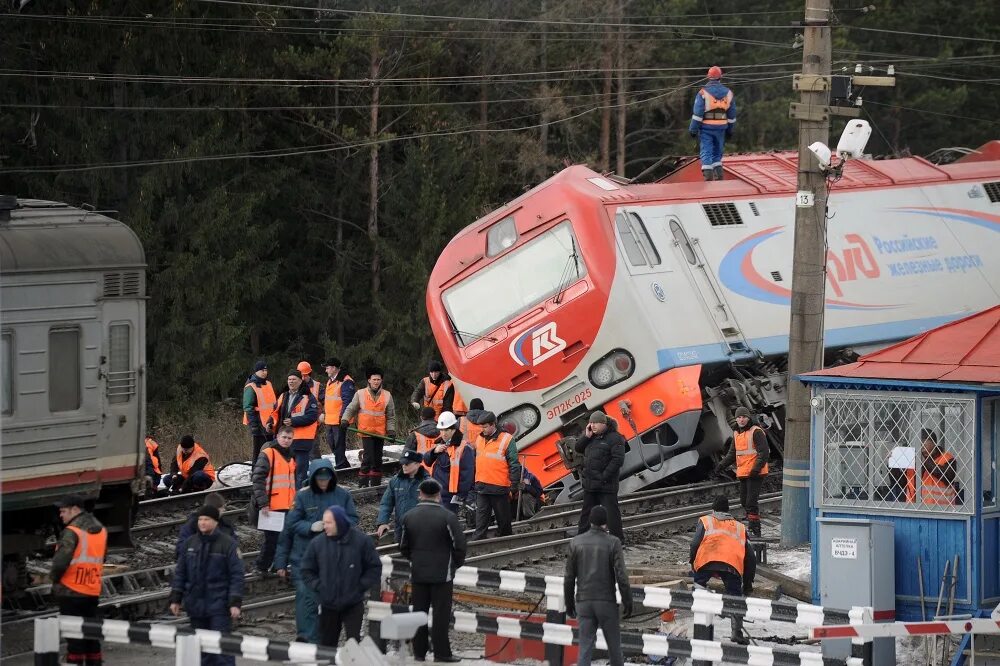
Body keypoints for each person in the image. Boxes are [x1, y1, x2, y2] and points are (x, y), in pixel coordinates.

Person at [274, 459, 359, 643]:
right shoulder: (302, 496)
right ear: (312, 478)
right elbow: (289, 527)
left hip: (333, 559)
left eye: (326, 478)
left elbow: (353, 519)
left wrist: (338, 526)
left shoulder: (342, 495)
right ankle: (306, 638)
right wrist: (309, 527)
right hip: (304, 559)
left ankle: (323, 642)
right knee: (307, 598)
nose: (323, 482)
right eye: (319, 478)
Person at [400, 479, 467, 663]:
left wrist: (415, 559)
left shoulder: (409, 516)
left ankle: (419, 652)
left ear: (420, 494)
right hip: (442, 574)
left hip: (418, 573)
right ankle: (442, 653)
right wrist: (455, 564)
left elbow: (403, 546)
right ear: (438, 495)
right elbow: (460, 545)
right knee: (441, 616)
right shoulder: (448, 517)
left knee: (419, 613)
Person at [169, 505, 244, 666]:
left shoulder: (228, 544)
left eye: (207, 519)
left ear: (216, 522)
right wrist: (176, 598)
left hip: (219, 605)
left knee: (221, 649)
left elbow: (236, 576)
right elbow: (181, 572)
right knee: (201, 649)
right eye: (200, 519)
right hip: (196, 605)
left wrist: (235, 603)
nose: (202, 523)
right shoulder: (190, 543)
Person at [300, 506, 382, 649]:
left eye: (329, 523)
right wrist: (319, 586)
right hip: (328, 604)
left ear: (339, 522)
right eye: (324, 522)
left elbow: (374, 567)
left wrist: (361, 585)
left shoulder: (361, 541)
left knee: (353, 644)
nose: (325, 526)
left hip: (353, 603)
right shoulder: (318, 543)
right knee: (327, 645)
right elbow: (307, 570)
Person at [564, 506, 631, 666]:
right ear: (606, 523)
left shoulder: (576, 542)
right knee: (615, 650)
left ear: (590, 521)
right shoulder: (613, 542)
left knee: (585, 648)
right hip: (606, 603)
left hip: (584, 602)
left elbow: (568, 577)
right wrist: (628, 602)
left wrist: (569, 604)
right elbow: (622, 576)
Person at [689, 496, 757, 645]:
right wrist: (747, 583)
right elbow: (751, 557)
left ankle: (700, 629)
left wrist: (693, 563)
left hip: (706, 561)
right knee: (736, 598)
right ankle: (737, 632)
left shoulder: (705, 520)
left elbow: (694, 544)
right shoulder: (739, 527)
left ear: (713, 510)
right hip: (731, 565)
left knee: (699, 589)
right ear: (728, 511)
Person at [51, 494, 107, 666]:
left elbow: (60, 562)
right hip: (92, 589)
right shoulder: (100, 529)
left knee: (74, 638)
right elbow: (102, 558)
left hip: (71, 590)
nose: (61, 515)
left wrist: (54, 580)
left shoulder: (71, 532)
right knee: (91, 636)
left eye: (63, 511)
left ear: (75, 510)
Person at [715, 406, 769, 537]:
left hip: (755, 473)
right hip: (744, 472)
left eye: (744, 417)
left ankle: (755, 530)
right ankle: (753, 525)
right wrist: (721, 465)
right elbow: (732, 454)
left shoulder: (756, 432)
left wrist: (756, 469)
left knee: (751, 502)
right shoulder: (737, 434)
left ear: (748, 418)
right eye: (738, 417)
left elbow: (764, 452)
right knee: (744, 501)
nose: (741, 419)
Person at [250, 425, 297, 573]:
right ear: (277, 437)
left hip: (287, 505)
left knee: (284, 539)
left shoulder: (290, 455)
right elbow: (258, 479)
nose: (286, 440)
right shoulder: (268, 454)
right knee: (272, 540)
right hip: (271, 506)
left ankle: (276, 566)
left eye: (289, 438)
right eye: (284, 437)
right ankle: (262, 566)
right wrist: (263, 503)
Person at [574, 411, 626, 541]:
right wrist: (586, 436)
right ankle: (581, 539)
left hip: (606, 485)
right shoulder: (590, 437)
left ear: (604, 423)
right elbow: (578, 448)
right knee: (586, 514)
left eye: (596, 423)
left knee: (611, 514)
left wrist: (604, 477)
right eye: (591, 423)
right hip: (591, 484)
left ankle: (618, 540)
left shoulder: (615, 438)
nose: (593, 425)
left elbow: (617, 460)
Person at [341, 367, 396, 488]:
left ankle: (376, 484)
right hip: (366, 431)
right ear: (369, 380)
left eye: (378, 379)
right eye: (374, 379)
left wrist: (391, 430)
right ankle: (363, 484)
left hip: (379, 432)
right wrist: (345, 419)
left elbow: (391, 416)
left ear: (381, 380)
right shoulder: (360, 394)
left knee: (377, 459)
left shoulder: (387, 395)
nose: (376, 382)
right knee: (368, 457)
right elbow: (351, 408)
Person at [471, 411, 520, 540]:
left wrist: (514, 485)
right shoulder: (479, 438)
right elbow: (477, 460)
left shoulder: (507, 439)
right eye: (481, 426)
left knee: (503, 520)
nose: (483, 429)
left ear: (493, 425)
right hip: (481, 484)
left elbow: (514, 464)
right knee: (481, 519)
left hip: (499, 486)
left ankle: (506, 543)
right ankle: (478, 542)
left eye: (485, 426)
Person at [270, 369, 320, 489]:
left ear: (300, 381)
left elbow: (312, 416)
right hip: (286, 441)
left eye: (294, 379)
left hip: (302, 441)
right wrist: (270, 422)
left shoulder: (308, 397)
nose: (291, 382)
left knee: (300, 474)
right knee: (286, 472)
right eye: (289, 379)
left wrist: (294, 421)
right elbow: (275, 412)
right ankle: (289, 497)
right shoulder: (284, 395)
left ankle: (298, 499)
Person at [689, 65, 736, 181]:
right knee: (717, 152)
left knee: (706, 151)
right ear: (721, 77)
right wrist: (730, 130)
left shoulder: (703, 93)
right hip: (721, 128)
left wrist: (693, 130)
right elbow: (732, 115)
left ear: (708, 77)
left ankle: (708, 177)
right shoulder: (729, 93)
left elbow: (697, 114)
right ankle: (719, 175)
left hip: (706, 128)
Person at [422, 411, 476, 513]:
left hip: (450, 497)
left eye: (446, 430)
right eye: (441, 430)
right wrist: (434, 452)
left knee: (445, 524)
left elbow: (467, 476)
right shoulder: (439, 445)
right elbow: (427, 461)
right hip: (435, 492)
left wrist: (460, 496)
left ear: (454, 430)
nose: (443, 433)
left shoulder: (465, 448)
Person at [376, 449, 429, 542]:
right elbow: (386, 503)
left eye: (407, 464)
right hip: (400, 529)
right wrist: (383, 522)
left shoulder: (428, 482)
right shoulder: (395, 481)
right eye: (403, 463)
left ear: (417, 464)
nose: (404, 466)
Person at [175, 492, 237, 561]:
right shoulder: (193, 525)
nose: (224, 510)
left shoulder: (226, 527)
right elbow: (181, 550)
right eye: (221, 509)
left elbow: (234, 550)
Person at [318, 358, 355, 469]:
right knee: (332, 444)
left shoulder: (346, 381)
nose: (326, 370)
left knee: (339, 445)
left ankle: (340, 468)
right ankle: (343, 464)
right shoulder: (331, 380)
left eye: (327, 368)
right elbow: (329, 400)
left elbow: (347, 401)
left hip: (339, 420)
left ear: (334, 368)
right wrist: (324, 413)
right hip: (329, 419)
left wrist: (343, 418)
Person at [909, 429, 959, 506]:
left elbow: (948, 477)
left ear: (933, 443)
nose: (921, 447)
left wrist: (926, 461)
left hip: (941, 510)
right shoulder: (913, 460)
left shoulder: (947, 458)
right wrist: (893, 463)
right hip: (913, 509)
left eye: (923, 443)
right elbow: (900, 482)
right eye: (918, 444)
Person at [242, 360, 276, 464]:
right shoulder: (250, 387)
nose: (264, 372)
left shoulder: (268, 383)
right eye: (262, 370)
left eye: (266, 370)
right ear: (256, 372)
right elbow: (248, 407)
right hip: (258, 423)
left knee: (270, 448)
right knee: (259, 450)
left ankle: (268, 471)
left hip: (270, 423)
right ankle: (256, 471)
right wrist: (254, 425)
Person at [407, 406, 439, 472]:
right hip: (438, 471)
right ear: (435, 417)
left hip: (420, 472)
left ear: (421, 417)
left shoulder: (415, 433)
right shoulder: (443, 432)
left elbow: (407, 455)